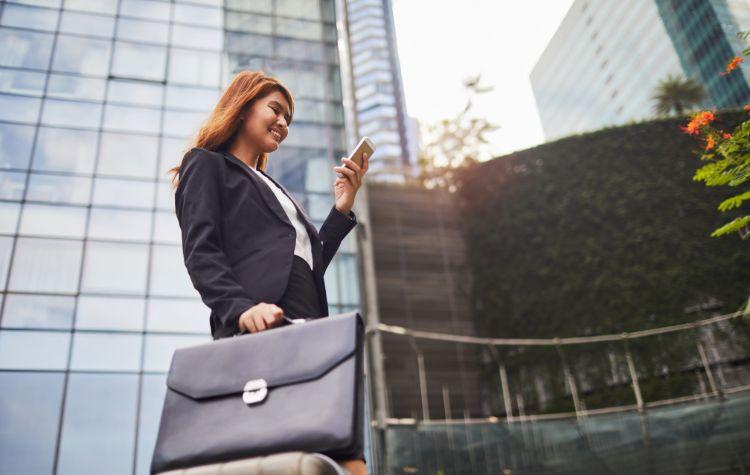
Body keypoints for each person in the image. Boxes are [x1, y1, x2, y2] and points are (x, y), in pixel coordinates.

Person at [168, 70, 369, 475]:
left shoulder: (271, 185)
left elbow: (304, 265)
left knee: (341, 446)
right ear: (243, 108)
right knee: (274, 448)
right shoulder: (207, 165)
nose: (283, 123)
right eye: (275, 110)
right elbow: (201, 251)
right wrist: (240, 309)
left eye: (288, 119)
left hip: (309, 328)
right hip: (260, 326)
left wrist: (341, 209)